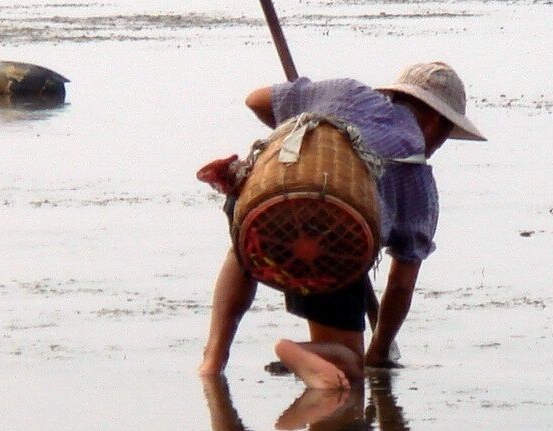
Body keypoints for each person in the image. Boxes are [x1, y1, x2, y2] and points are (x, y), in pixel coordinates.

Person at [197, 61, 484, 387]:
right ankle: (298, 351)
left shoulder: (346, 93)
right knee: (348, 366)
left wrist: (291, 124)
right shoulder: (419, 181)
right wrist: (377, 350)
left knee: (247, 241)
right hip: (330, 245)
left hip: (264, 201)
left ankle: (214, 358)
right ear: (437, 123)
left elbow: (256, 100)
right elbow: (401, 283)